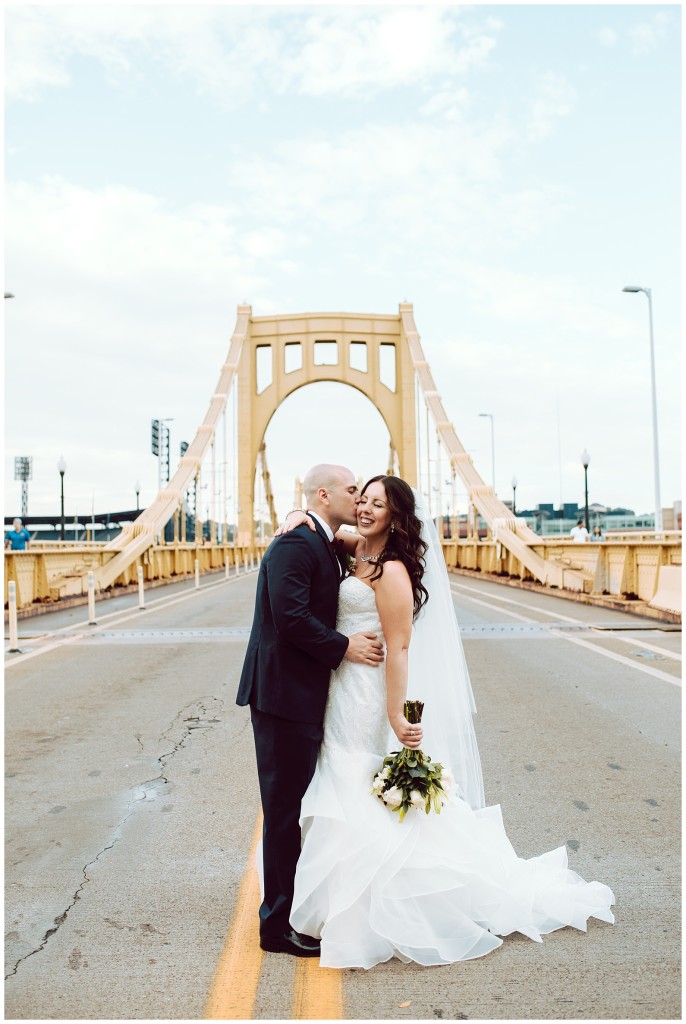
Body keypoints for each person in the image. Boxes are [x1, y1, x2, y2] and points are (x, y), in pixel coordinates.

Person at [280, 477, 614, 969]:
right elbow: (328, 533)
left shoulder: (391, 570)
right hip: (339, 684)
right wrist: (296, 519)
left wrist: (395, 713)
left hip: (366, 693)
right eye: (364, 500)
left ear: (396, 518)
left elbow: (400, 648)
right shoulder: (359, 550)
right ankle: (340, 903)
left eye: (379, 505)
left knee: (352, 778)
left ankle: (362, 912)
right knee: (341, 779)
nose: (367, 509)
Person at [236, 464, 386, 958]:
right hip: (282, 697)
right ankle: (275, 926)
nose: (359, 498)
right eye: (351, 491)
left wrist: (301, 510)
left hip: (305, 695)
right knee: (283, 812)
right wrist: (345, 647)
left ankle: (295, 906)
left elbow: (367, 537)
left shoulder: (319, 538)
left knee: (299, 807)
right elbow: (291, 617)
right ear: (324, 494)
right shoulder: (296, 544)